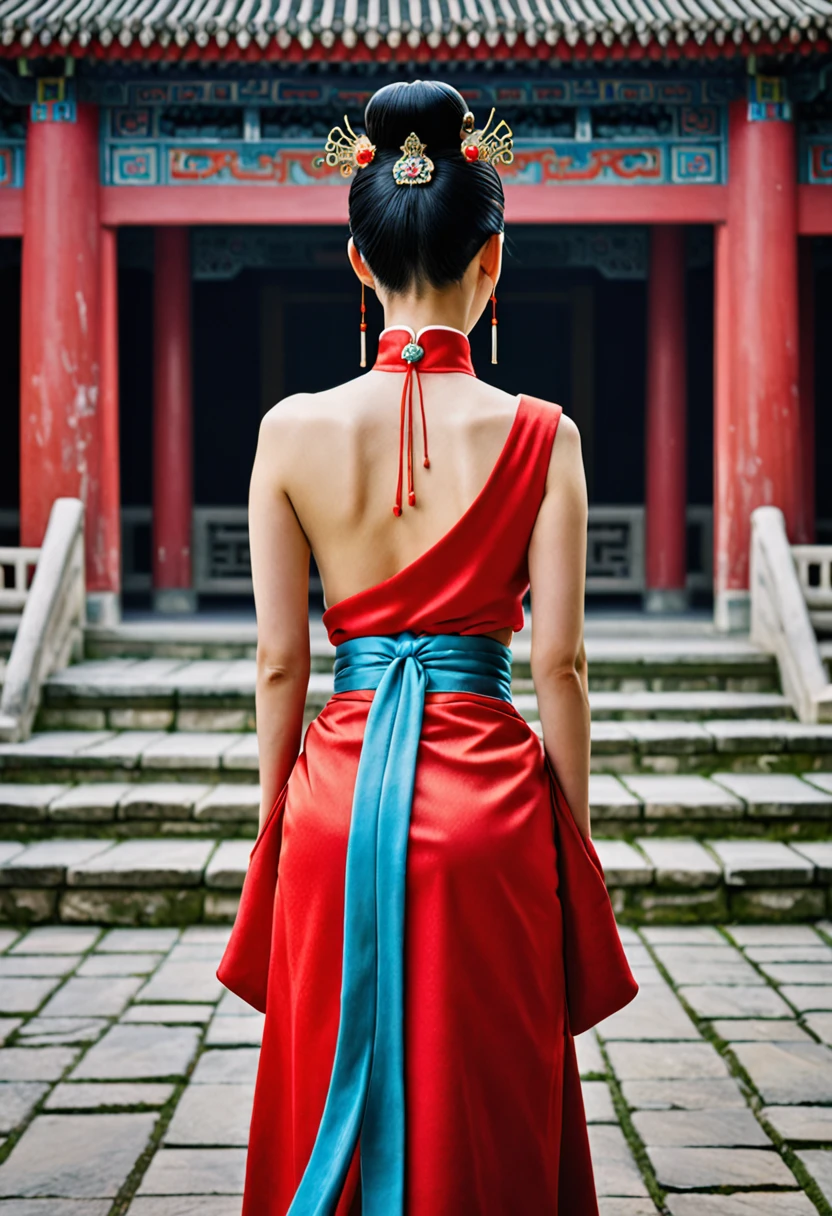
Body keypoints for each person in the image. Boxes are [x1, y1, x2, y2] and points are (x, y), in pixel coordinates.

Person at [217, 78, 637, 1216]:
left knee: (321, 1091)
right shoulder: (544, 436)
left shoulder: (286, 432)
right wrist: (573, 840)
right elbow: (559, 665)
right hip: (489, 807)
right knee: (486, 1087)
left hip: (336, 798)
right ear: (490, 259)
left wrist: (277, 825)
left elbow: (278, 665)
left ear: (358, 262)